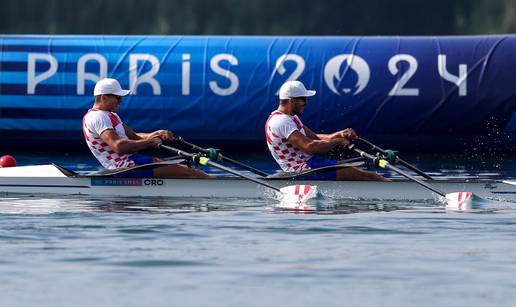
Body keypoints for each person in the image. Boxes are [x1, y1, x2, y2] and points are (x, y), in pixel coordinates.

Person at [83, 78, 210, 179]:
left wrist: (157, 134)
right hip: (126, 166)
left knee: (183, 166)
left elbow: (134, 136)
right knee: (195, 174)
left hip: (133, 160)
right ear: (104, 97)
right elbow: (119, 146)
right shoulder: (98, 117)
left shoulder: (110, 115)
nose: (120, 100)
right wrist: (150, 142)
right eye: (117, 97)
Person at [265, 80, 384, 181]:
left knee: (362, 172)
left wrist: (340, 134)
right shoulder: (281, 121)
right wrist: (337, 142)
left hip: (312, 164)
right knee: (370, 177)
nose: (306, 103)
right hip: (303, 170)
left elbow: (315, 138)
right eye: (303, 99)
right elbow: (310, 147)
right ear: (291, 101)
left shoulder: (290, 118)